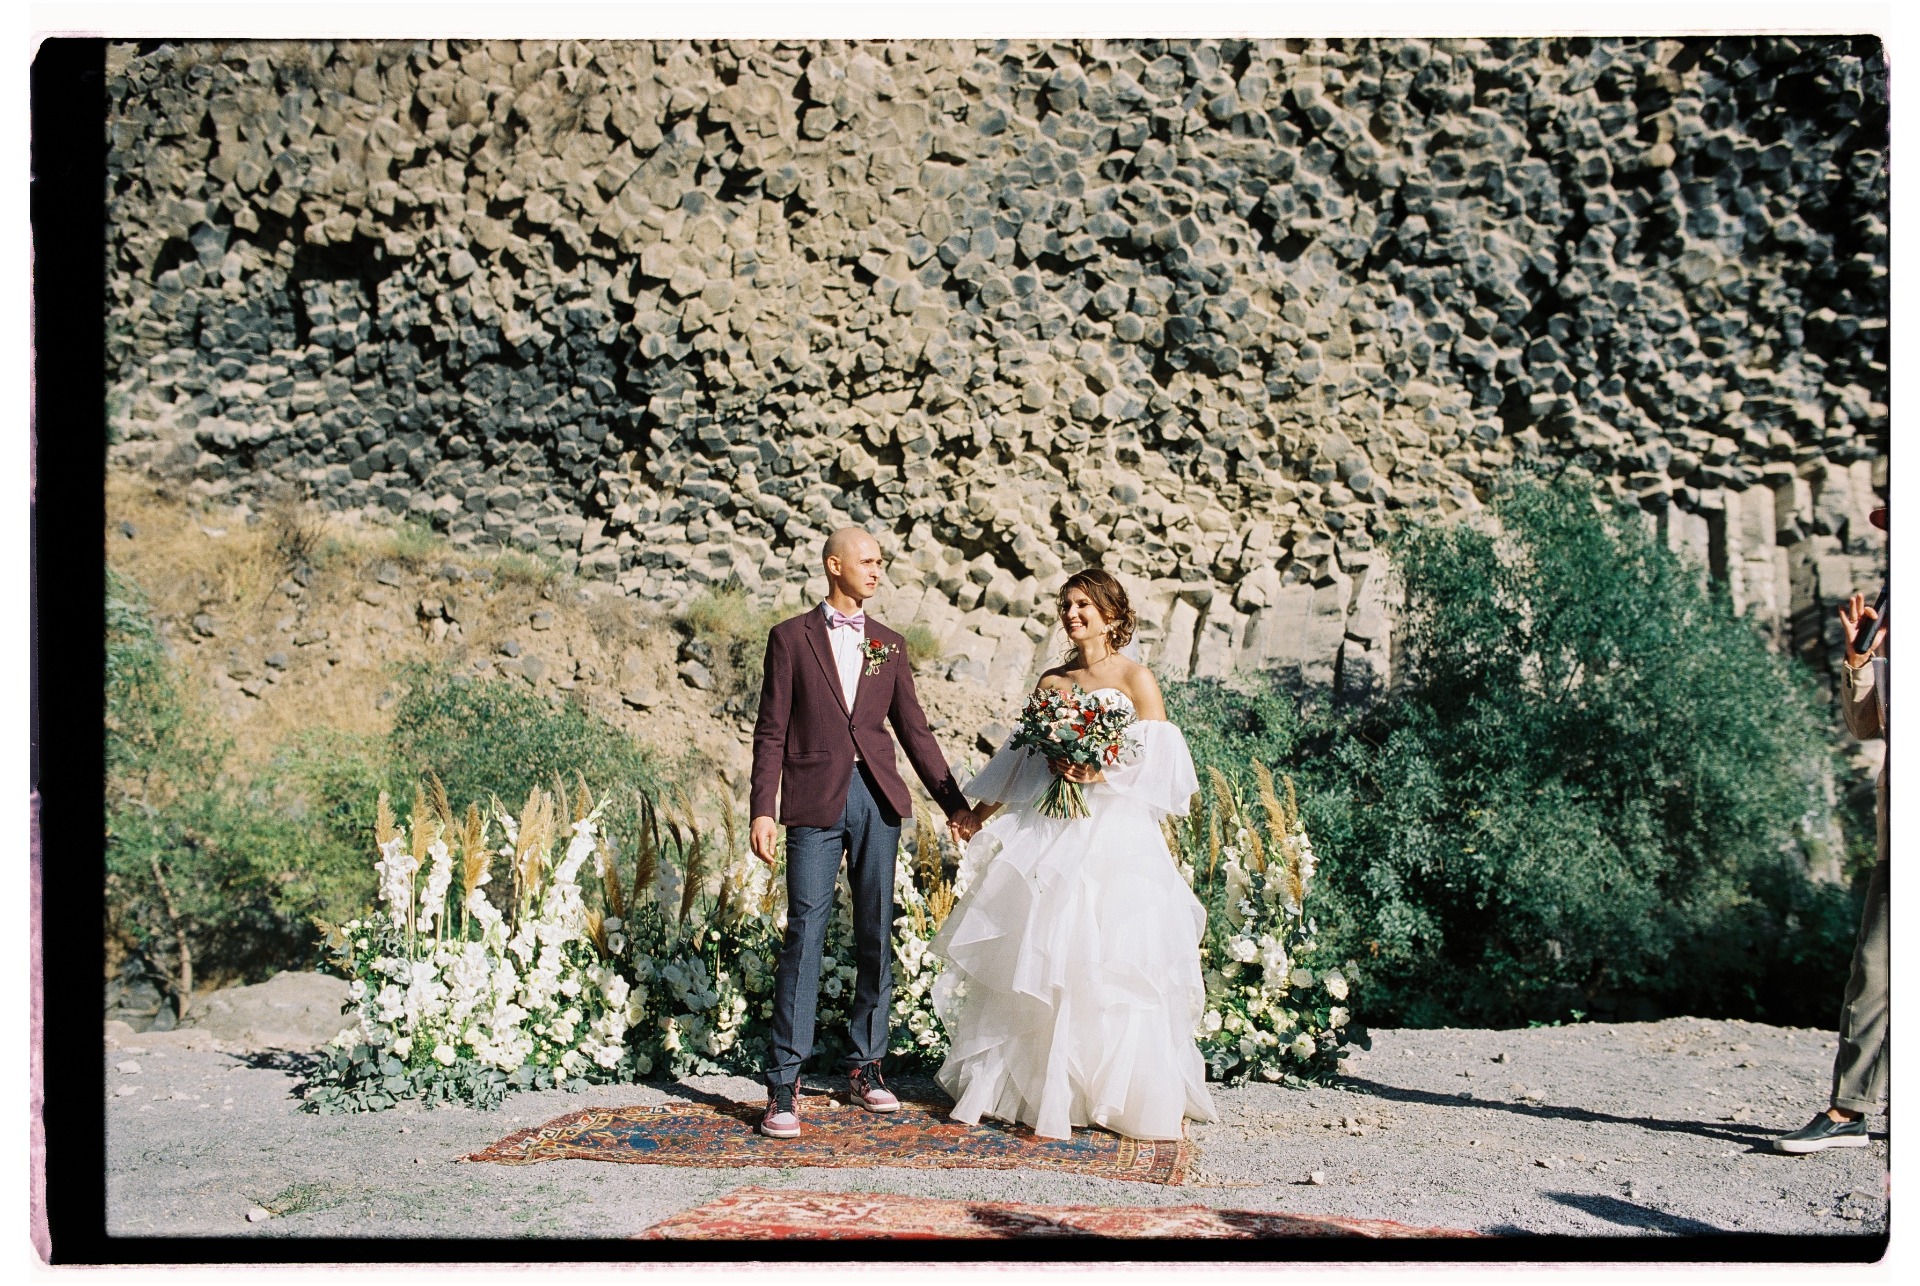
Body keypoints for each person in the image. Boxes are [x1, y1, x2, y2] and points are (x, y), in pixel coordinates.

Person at [930, 569, 1218, 1141]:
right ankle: (1042, 1091)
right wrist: (976, 814)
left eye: (1084, 604)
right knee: (1043, 953)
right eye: (1066, 605)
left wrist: (1099, 771)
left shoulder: (1135, 678)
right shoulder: (1053, 682)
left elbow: (1161, 763)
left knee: (1109, 956)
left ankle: (1116, 1095)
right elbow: (1020, 762)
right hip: (1052, 827)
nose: (1072, 614)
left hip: (1114, 833)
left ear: (1111, 616)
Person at [748, 527, 978, 1139]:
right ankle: (784, 1084)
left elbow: (915, 731)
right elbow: (770, 729)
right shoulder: (789, 638)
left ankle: (865, 1064)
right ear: (834, 565)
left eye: (881, 562)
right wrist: (763, 808)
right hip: (811, 799)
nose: (877, 571)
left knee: (876, 928)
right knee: (805, 932)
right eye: (868, 561)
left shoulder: (889, 645)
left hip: (878, 799)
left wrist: (956, 806)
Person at [1776, 505, 1889, 1154]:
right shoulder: (1892, 624)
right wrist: (1859, 660)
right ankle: (1849, 1112)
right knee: (1875, 971)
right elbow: (1867, 726)